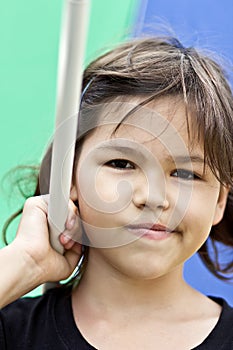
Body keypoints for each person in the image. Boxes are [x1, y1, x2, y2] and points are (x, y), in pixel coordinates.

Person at [1, 36, 233, 350]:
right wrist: (24, 263)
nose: (152, 197)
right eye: (121, 163)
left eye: (186, 173)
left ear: (220, 200)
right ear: (68, 177)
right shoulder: (13, 333)